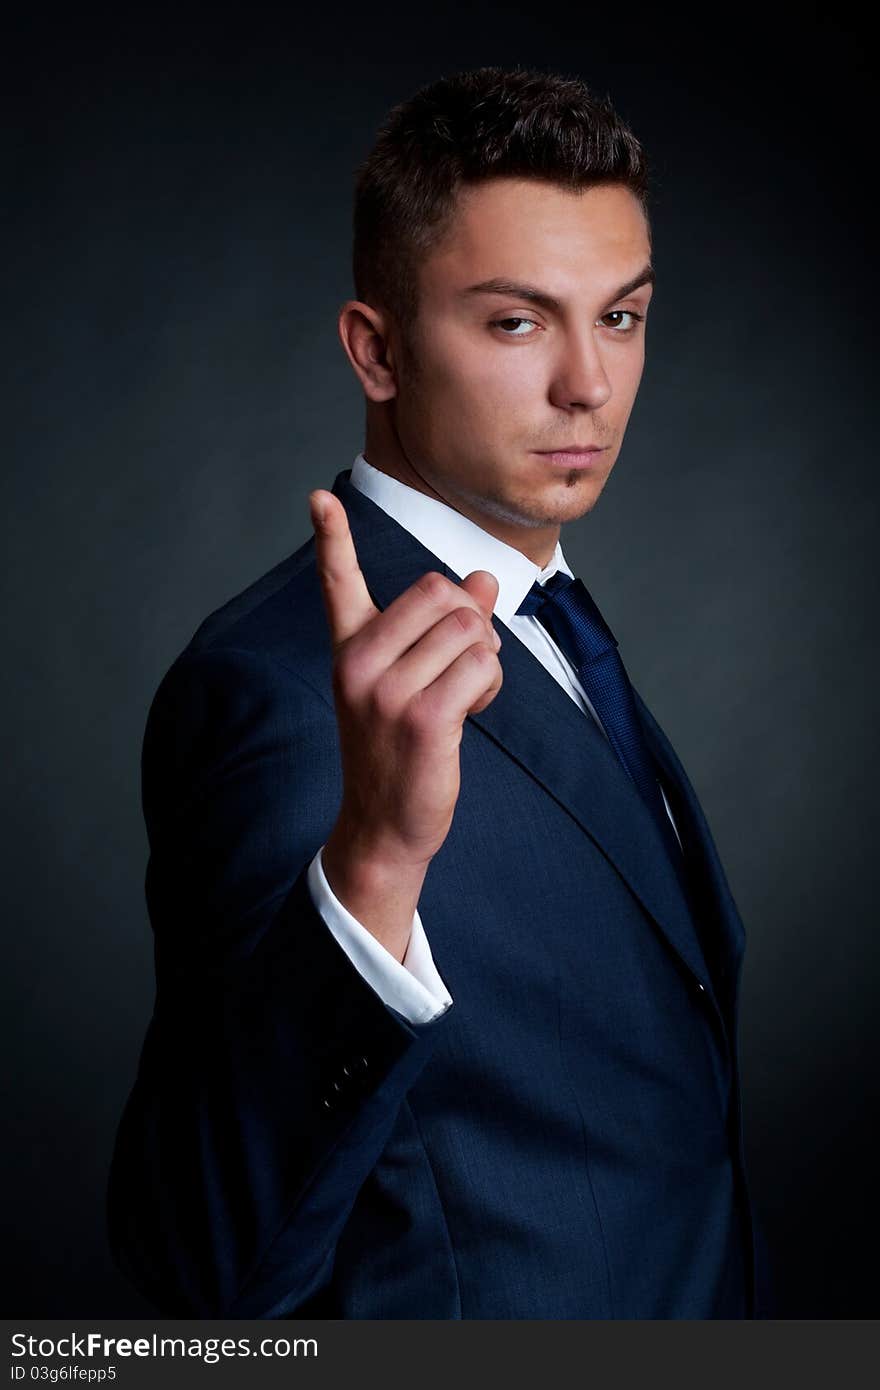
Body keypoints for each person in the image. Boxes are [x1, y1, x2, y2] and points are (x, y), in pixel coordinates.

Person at [108, 65, 769, 1318]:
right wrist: (370, 867)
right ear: (378, 348)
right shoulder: (277, 693)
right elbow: (201, 1272)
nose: (589, 383)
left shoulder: (549, 614)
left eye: (620, 317)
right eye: (516, 323)